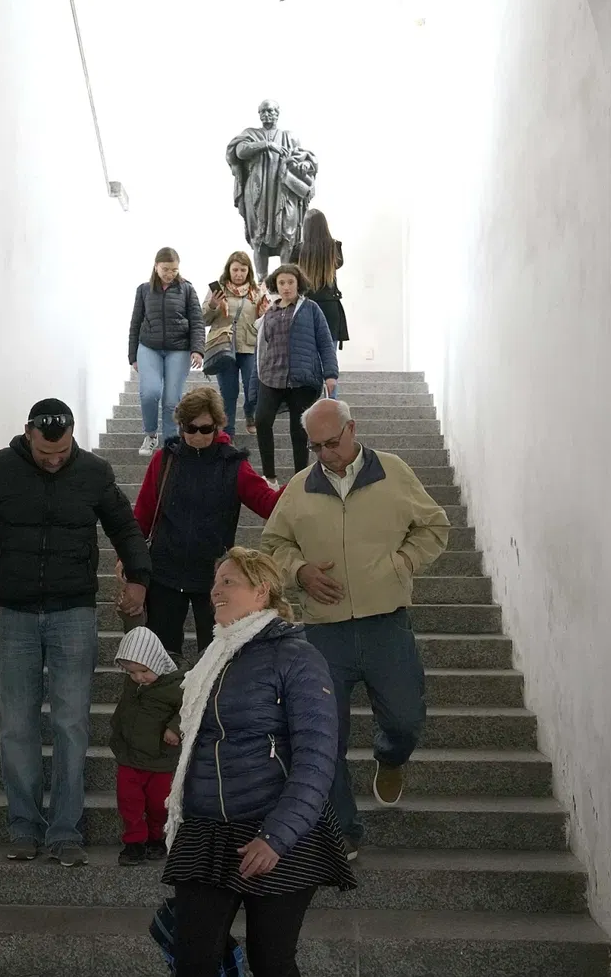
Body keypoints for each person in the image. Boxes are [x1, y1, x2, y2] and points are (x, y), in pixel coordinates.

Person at [0, 399, 152, 868]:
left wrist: (138, 577)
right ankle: (24, 827)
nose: (54, 460)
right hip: (16, 614)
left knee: (71, 724)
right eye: (46, 452)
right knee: (16, 725)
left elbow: (126, 528)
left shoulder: (93, 471)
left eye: (63, 451)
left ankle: (65, 831)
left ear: (72, 438)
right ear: (28, 433)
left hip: (75, 612)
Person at [258, 398, 451, 860]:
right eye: (316, 446)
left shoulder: (394, 472)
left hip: (386, 622)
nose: (326, 453)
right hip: (324, 632)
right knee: (326, 736)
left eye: (333, 442)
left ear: (352, 429)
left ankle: (390, 756)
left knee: (405, 719)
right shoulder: (300, 488)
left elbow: (435, 526)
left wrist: (402, 562)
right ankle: (342, 828)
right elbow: (273, 544)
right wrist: (300, 571)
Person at [162, 548, 354, 977]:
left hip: (277, 831)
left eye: (228, 581)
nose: (215, 591)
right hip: (206, 829)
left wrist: (277, 836)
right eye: (215, 582)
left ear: (261, 590)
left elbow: (317, 758)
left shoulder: (296, 657)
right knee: (192, 962)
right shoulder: (215, 658)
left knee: (272, 962)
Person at [133, 386, 280, 660]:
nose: (197, 436)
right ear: (180, 426)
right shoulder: (164, 460)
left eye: (206, 429)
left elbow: (268, 504)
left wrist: (299, 485)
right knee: (159, 661)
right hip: (164, 572)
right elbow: (142, 515)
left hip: (214, 577)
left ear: (217, 425)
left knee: (217, 659)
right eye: (190, 428)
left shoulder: (233, 464)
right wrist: (126, 558)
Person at [253, 264, 338, 489]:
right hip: (271, 376)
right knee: (261, 420)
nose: (286, 287)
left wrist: (330, 374)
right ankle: (269, 477)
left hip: (301, 378)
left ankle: (300, 479)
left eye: (290, 282)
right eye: (281, 283)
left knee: (298, 429)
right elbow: (261, 348)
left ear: (298, 283)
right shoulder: (269, 311)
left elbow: (325, 342)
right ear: (275, 285)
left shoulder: (311, 309)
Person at [111, 626, 185, 867]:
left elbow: (188, 708)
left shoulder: (177, 685)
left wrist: (175, 727)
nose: (139, 677)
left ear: (157, 662)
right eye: (132, 673)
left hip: (160, 759)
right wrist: (117, 730)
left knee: (157, 803)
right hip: (129, 756)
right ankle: (133, 842)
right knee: (129, 801)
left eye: (144, 671)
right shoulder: (133, 684)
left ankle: (157, 836)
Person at [225, 99, 318, 280]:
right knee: (258, 237)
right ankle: (262, 283)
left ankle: (286, 279)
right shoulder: (250, 134)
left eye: (270, 111)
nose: (267, 114)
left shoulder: (289, 136)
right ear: (259, 115)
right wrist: (267, 145)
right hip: (258, 192)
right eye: (263, 111)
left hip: (284, 192)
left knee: (288, 233)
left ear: (277, 113)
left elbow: (304, 159)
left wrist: (305, 165)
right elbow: (239, 151)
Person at [130, 247, 206, 456]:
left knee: (172, 399)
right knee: (150, 392)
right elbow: (135, 323)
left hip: (178, 349)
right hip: (148, 347)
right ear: (156, 267)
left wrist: (197, 349)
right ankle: (151, 435)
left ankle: (171, 441)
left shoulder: (187, 289)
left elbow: (197, 321)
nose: (170, 274)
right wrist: (132, 356)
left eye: (174, 269)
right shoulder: (144, 290)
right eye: (165, 269)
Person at [202, 251, 266, 435]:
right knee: (228, 393)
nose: (239, 274)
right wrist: (213, 305)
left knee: (252, 387)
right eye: (235, 270)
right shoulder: (219, 289)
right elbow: (204, 319)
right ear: (229, 270)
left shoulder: (257, 291)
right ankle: (228, 434)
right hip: (223, 347)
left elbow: (266, 320)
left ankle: (249, 413)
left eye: (243, 270)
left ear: (249, 271)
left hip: (249, 346)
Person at [291, 208, 349, 350]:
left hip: (306, 305)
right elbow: (338, 264)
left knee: (307, 355)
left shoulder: (299, 250)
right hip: (330, 306)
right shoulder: (334, 248)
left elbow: (292, 272)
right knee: (330, 355)